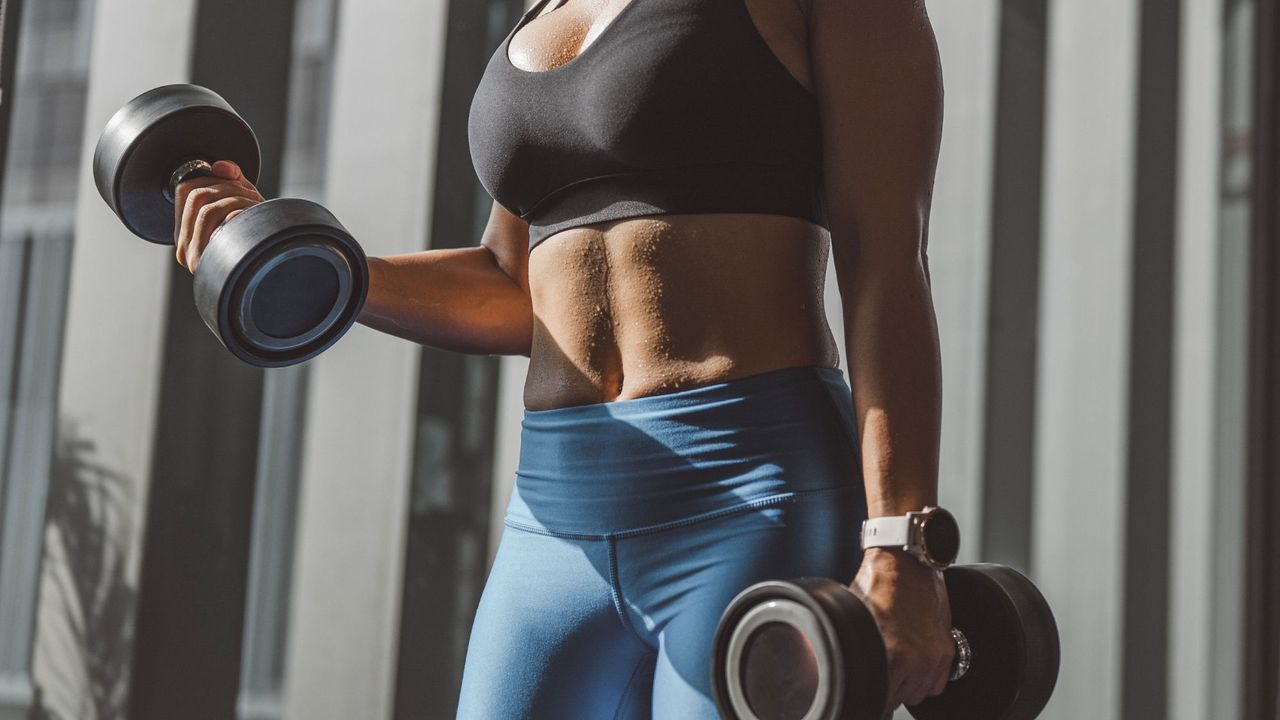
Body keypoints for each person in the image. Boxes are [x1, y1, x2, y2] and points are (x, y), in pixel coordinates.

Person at [172, 0, 952, 715]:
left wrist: (901, 545)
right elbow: (515, 284)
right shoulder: (542, 8)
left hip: (750, 491)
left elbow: (886, 260)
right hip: (555, 514)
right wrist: (307, 253)